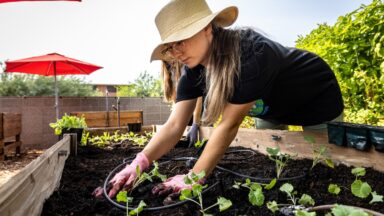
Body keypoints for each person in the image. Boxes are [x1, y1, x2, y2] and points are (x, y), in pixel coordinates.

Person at [102, 0, 344, 201]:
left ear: (208, 28)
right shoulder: (195, 68)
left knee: (322, 168)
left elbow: (227, 125)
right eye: (171, 46)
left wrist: (194, 178)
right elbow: (175, 125)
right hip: (272, 109)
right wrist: (138, 163)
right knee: (276, 163)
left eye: (182, 40)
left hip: (315, 98)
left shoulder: (252, 53)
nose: (176, 52)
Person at [161, 60, 203, 146]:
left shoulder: (187, 67)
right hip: (187, 109)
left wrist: (195, 123)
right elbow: (176, 102)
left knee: (204, 136)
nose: (170, 64)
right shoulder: (168, 72)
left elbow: (199, 96)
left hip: (200, 108)